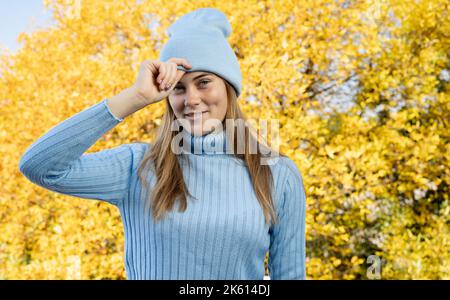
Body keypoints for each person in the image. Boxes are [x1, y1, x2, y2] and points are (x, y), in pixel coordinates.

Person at [18, 7, 306, 280]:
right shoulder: (137, 166)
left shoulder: (277, 173)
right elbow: (40, 166)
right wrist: (136, 97)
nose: (191, 99)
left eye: (204, 82)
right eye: (178, 88)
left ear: (229, 89)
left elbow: (290, 276)